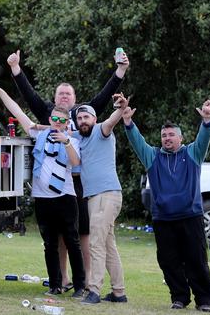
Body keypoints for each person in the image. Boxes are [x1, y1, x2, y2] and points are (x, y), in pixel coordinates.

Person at [7, 49, 130, 290]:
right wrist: (15, 69)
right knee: (57, 238)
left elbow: (105, 96)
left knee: (81, 235)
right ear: (54, 98)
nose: (64, 97)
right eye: (60, 94)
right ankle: (61, 279)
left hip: (79, 182)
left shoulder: (84, 114)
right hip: (51, 187)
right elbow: (28, 96)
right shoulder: (49, 115)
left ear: (75, 99)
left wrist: (121, 71)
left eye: (68, 94)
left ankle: (84, 280)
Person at [0, 83, 86, 299]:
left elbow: (76, 163)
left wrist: (67, 142)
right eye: (55, 119)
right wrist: (2, 93)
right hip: (42, 197)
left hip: (65, 196)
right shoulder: (39, 133)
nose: (58, 122)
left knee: (72, 241)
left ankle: (80, 286)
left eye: (63, 120)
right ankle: (55, 285)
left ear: (67, 122)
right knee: (49, 243)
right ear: (50, 119)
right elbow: (18, 112)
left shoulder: (73, 139)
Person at [122, 101, 210, 312]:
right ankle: (179, 297)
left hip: (191, 216)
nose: (167, 139)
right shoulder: (152, 156)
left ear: (180, 138)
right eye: (164, 136)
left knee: (197, 260)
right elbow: (138, 142)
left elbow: (204, 139)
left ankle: (204, 300)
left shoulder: (192, 154)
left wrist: (207, 121)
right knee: (169, 261)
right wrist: (128, 122)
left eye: (171, 135)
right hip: (163, 219)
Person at [72, 95, 129, 304]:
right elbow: (57, 129)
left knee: (95, 244)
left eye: (86, 117)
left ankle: (94, 290)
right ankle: (118, 292)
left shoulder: (101, 130)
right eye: (79, 119)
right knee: (108, 245)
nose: (83, 121)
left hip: (105, 195)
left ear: (94, 119)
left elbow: (113, 119)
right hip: (97, 197)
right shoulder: (82, 138)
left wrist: (122, 107)